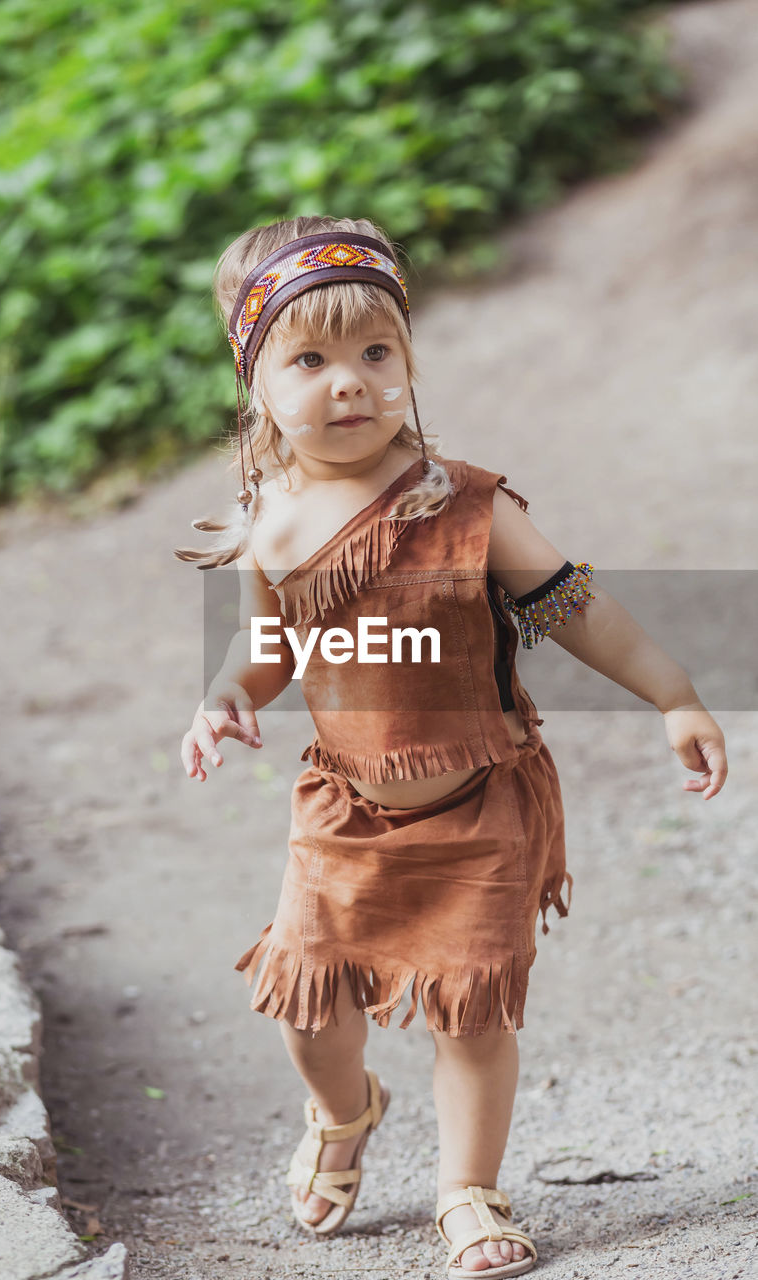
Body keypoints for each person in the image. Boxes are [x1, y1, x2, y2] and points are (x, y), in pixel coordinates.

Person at [176, 216, 727, 1278]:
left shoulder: (467, 504)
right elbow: (264, 650)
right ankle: (345, 1110)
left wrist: (673, 692)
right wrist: (221, 699)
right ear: (256, 386)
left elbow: (576, 608)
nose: (351, 383)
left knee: (471, 1010)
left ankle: (466, 1187)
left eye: (376, 353)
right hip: (343, 809)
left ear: (409, 364)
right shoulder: (271, 514)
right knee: (311, 1002)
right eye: (311, 359)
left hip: (480, 804)